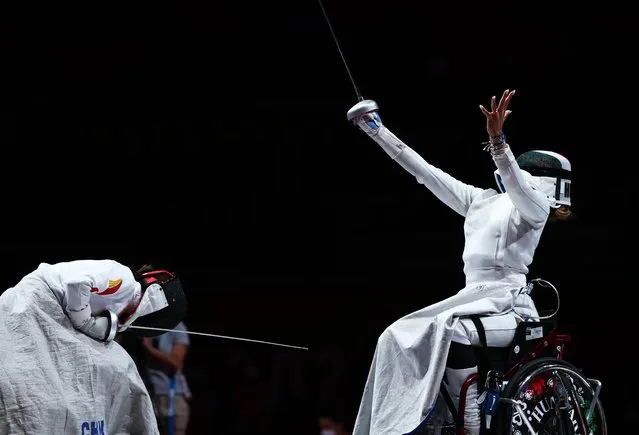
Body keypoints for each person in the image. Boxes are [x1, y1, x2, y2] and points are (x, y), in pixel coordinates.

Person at [346, 90, 574, 435]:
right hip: (472, 300)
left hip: (509, 307)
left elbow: (514, 180)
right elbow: (425, 172)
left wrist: (498, 140)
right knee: (393, 336)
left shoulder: (536, 209)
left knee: (450, 332)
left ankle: (470, 422)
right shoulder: (479, 202)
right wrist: (376, 131)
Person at [0, 259, 187, 434]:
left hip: (52, 312)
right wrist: (86, 322)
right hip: (36, 303)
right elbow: (76, 283)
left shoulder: (121, 303)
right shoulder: (126, 280)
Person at [143, 320, 192, 435]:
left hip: (171, 395)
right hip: (149, 395)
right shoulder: (145, 324)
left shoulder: (177, 327)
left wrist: (150, 349)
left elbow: (176, 362)